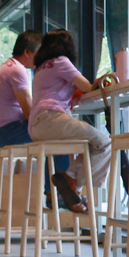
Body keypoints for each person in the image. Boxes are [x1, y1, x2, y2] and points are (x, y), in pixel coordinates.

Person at [28, 29, 111, 213]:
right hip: (51, 119)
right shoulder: (61, 62)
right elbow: (87, 86)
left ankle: (71, 177)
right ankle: (75, 185)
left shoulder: (41, 68)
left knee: (91, 144)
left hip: (37, 125)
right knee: (104, 142)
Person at [0, 30, 42, 148]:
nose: (42, 57)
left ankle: (49, 166)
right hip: (9, 132)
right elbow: (28, 112)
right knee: (55, 134)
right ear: (27, 52)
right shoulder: (17, 70)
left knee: (51, 131)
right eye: (39, 53)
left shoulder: (9, 66)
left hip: (0, 132)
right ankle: (63, 167)